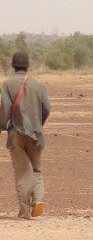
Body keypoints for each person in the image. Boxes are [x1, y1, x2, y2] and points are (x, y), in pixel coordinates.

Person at [0, 52, 51, 219]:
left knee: (22, 172)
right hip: (36, 134)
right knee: (36, 170)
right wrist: (38, 125)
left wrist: (2, 125)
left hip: (17, 134)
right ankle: (38, 200)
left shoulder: (7, 85)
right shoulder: (39, 84)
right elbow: (47, 108)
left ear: (13, 66)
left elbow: (6, 109)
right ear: (28, 66)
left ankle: (24, 211)